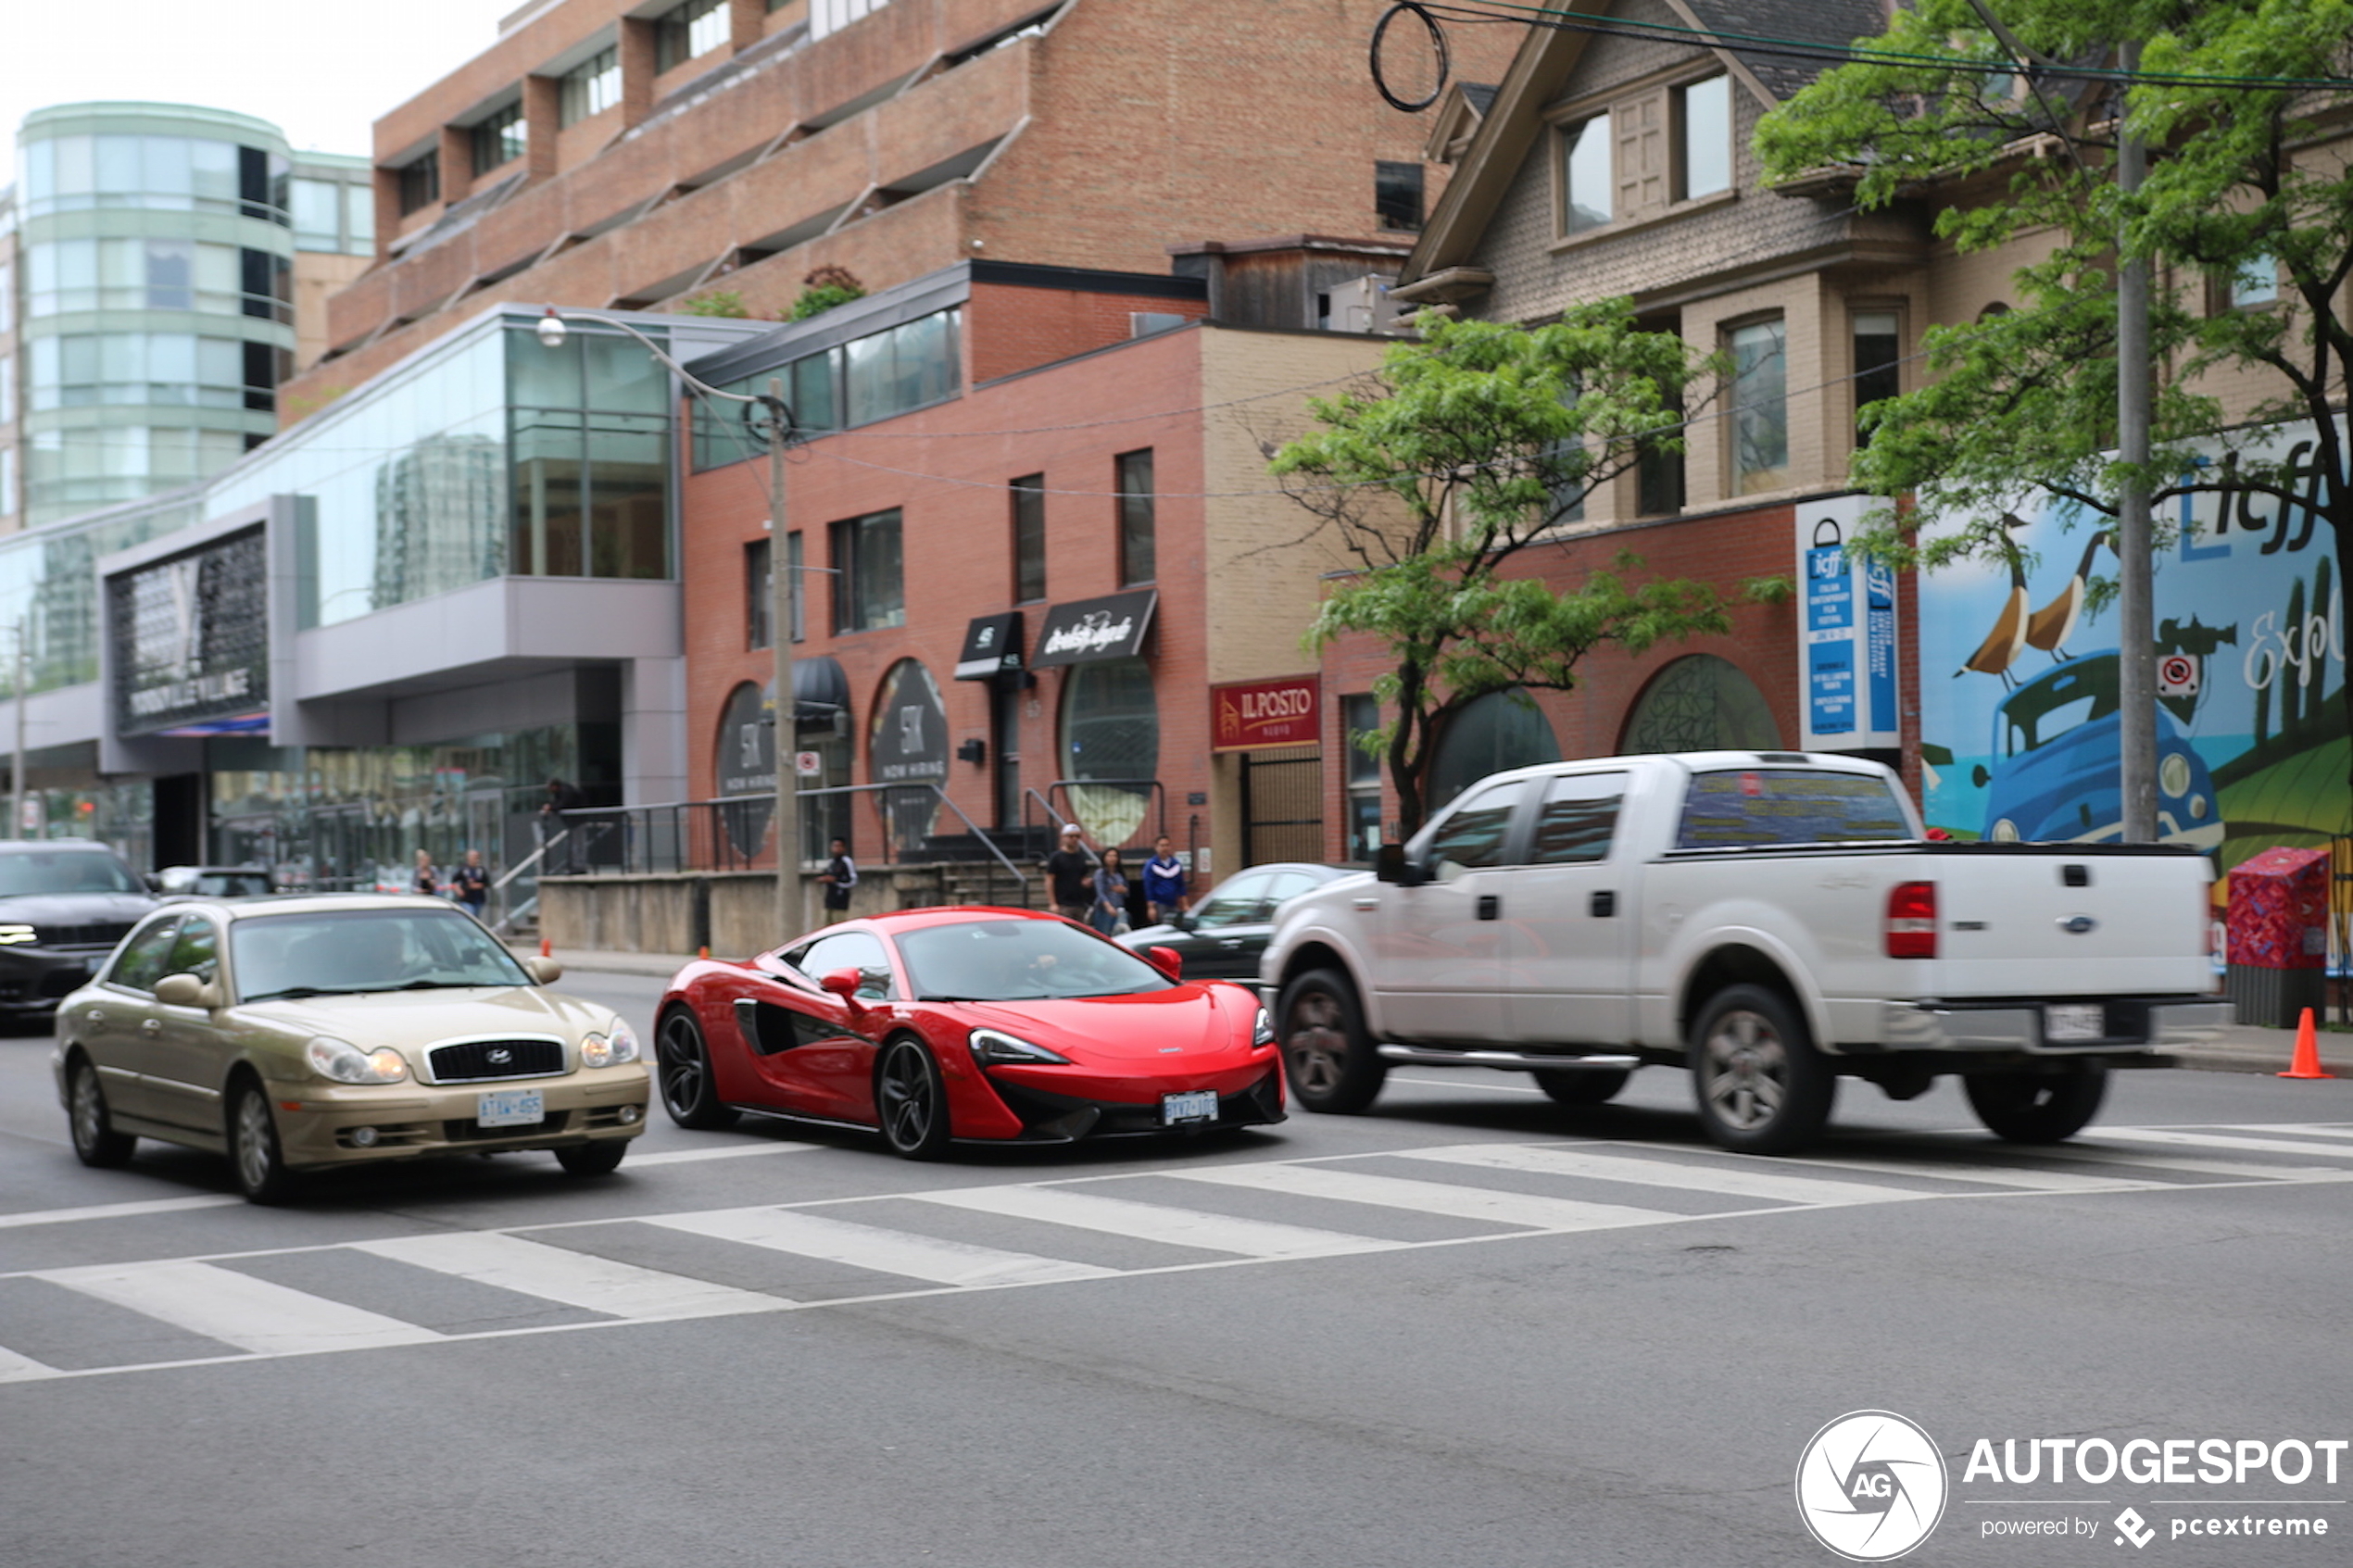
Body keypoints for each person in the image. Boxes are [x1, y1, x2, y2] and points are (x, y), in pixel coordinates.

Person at [1044, 823, 1094, 924]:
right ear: (1063, 837)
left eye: (1077, 836)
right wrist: (1053, 903)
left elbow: (1082, 876)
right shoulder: (1056, 857)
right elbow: (1049, 880)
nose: (1074, 839)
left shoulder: (1080, 857)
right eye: (1071, 836)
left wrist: (1086, 882)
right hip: (1063, 904)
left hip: (1079, 903)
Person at [541, 777, 587, 872]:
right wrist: (550, 806)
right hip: (572, 823)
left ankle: (579, 867)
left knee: (577, 845)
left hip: (577, 821)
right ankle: (572, 865)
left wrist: (551, 807)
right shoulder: (560, 792)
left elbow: (563, 804)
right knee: (571, 844)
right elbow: (557, 803)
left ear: (554, 786)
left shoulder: (566, 791)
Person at [1141, 835, 1189, 925]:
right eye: (1162, 846)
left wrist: (1185, 904)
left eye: (1167, 845)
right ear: (1156, 847)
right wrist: (1151, 908)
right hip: (1160, 903)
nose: (1165, 848)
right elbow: (1149, 887)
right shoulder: (1151, 865)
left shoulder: (1176, 864)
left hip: (1173, 902)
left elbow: (1181, 885)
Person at [1090, 847, 1131, 936]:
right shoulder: (1100, 873)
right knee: (1104, 934)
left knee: (1120, 934)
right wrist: (1108, 906)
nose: (1112, 858)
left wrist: (1124, 890)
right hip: (1104, 909)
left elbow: (1127, 891)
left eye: (1114, 856)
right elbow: (1100, 892)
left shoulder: (1119, 873)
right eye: (1109, 856)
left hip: (1119, 908)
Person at [819, 836, 857, 923]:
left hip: (840, 902)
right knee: (825, 925)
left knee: (839, 924)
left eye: (839, 846)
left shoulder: (846, 862)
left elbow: (853, 881)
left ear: (843, 848)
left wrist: (837, 882)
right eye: (834, 846)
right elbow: (825, 875)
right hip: (829, 901)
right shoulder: (831, 863)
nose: (836, 848)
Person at [451, 847, 491, 917]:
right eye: (474, 857)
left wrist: (478, 885)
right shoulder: (463, 869)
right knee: (470, 914)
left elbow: (487, 883)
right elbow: (454, 880)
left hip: (478, 898)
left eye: (477, 857)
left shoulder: (481, 870)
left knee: (476, 916)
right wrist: (458, 889)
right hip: (466, 898)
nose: (476, 859)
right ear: (468, 858)